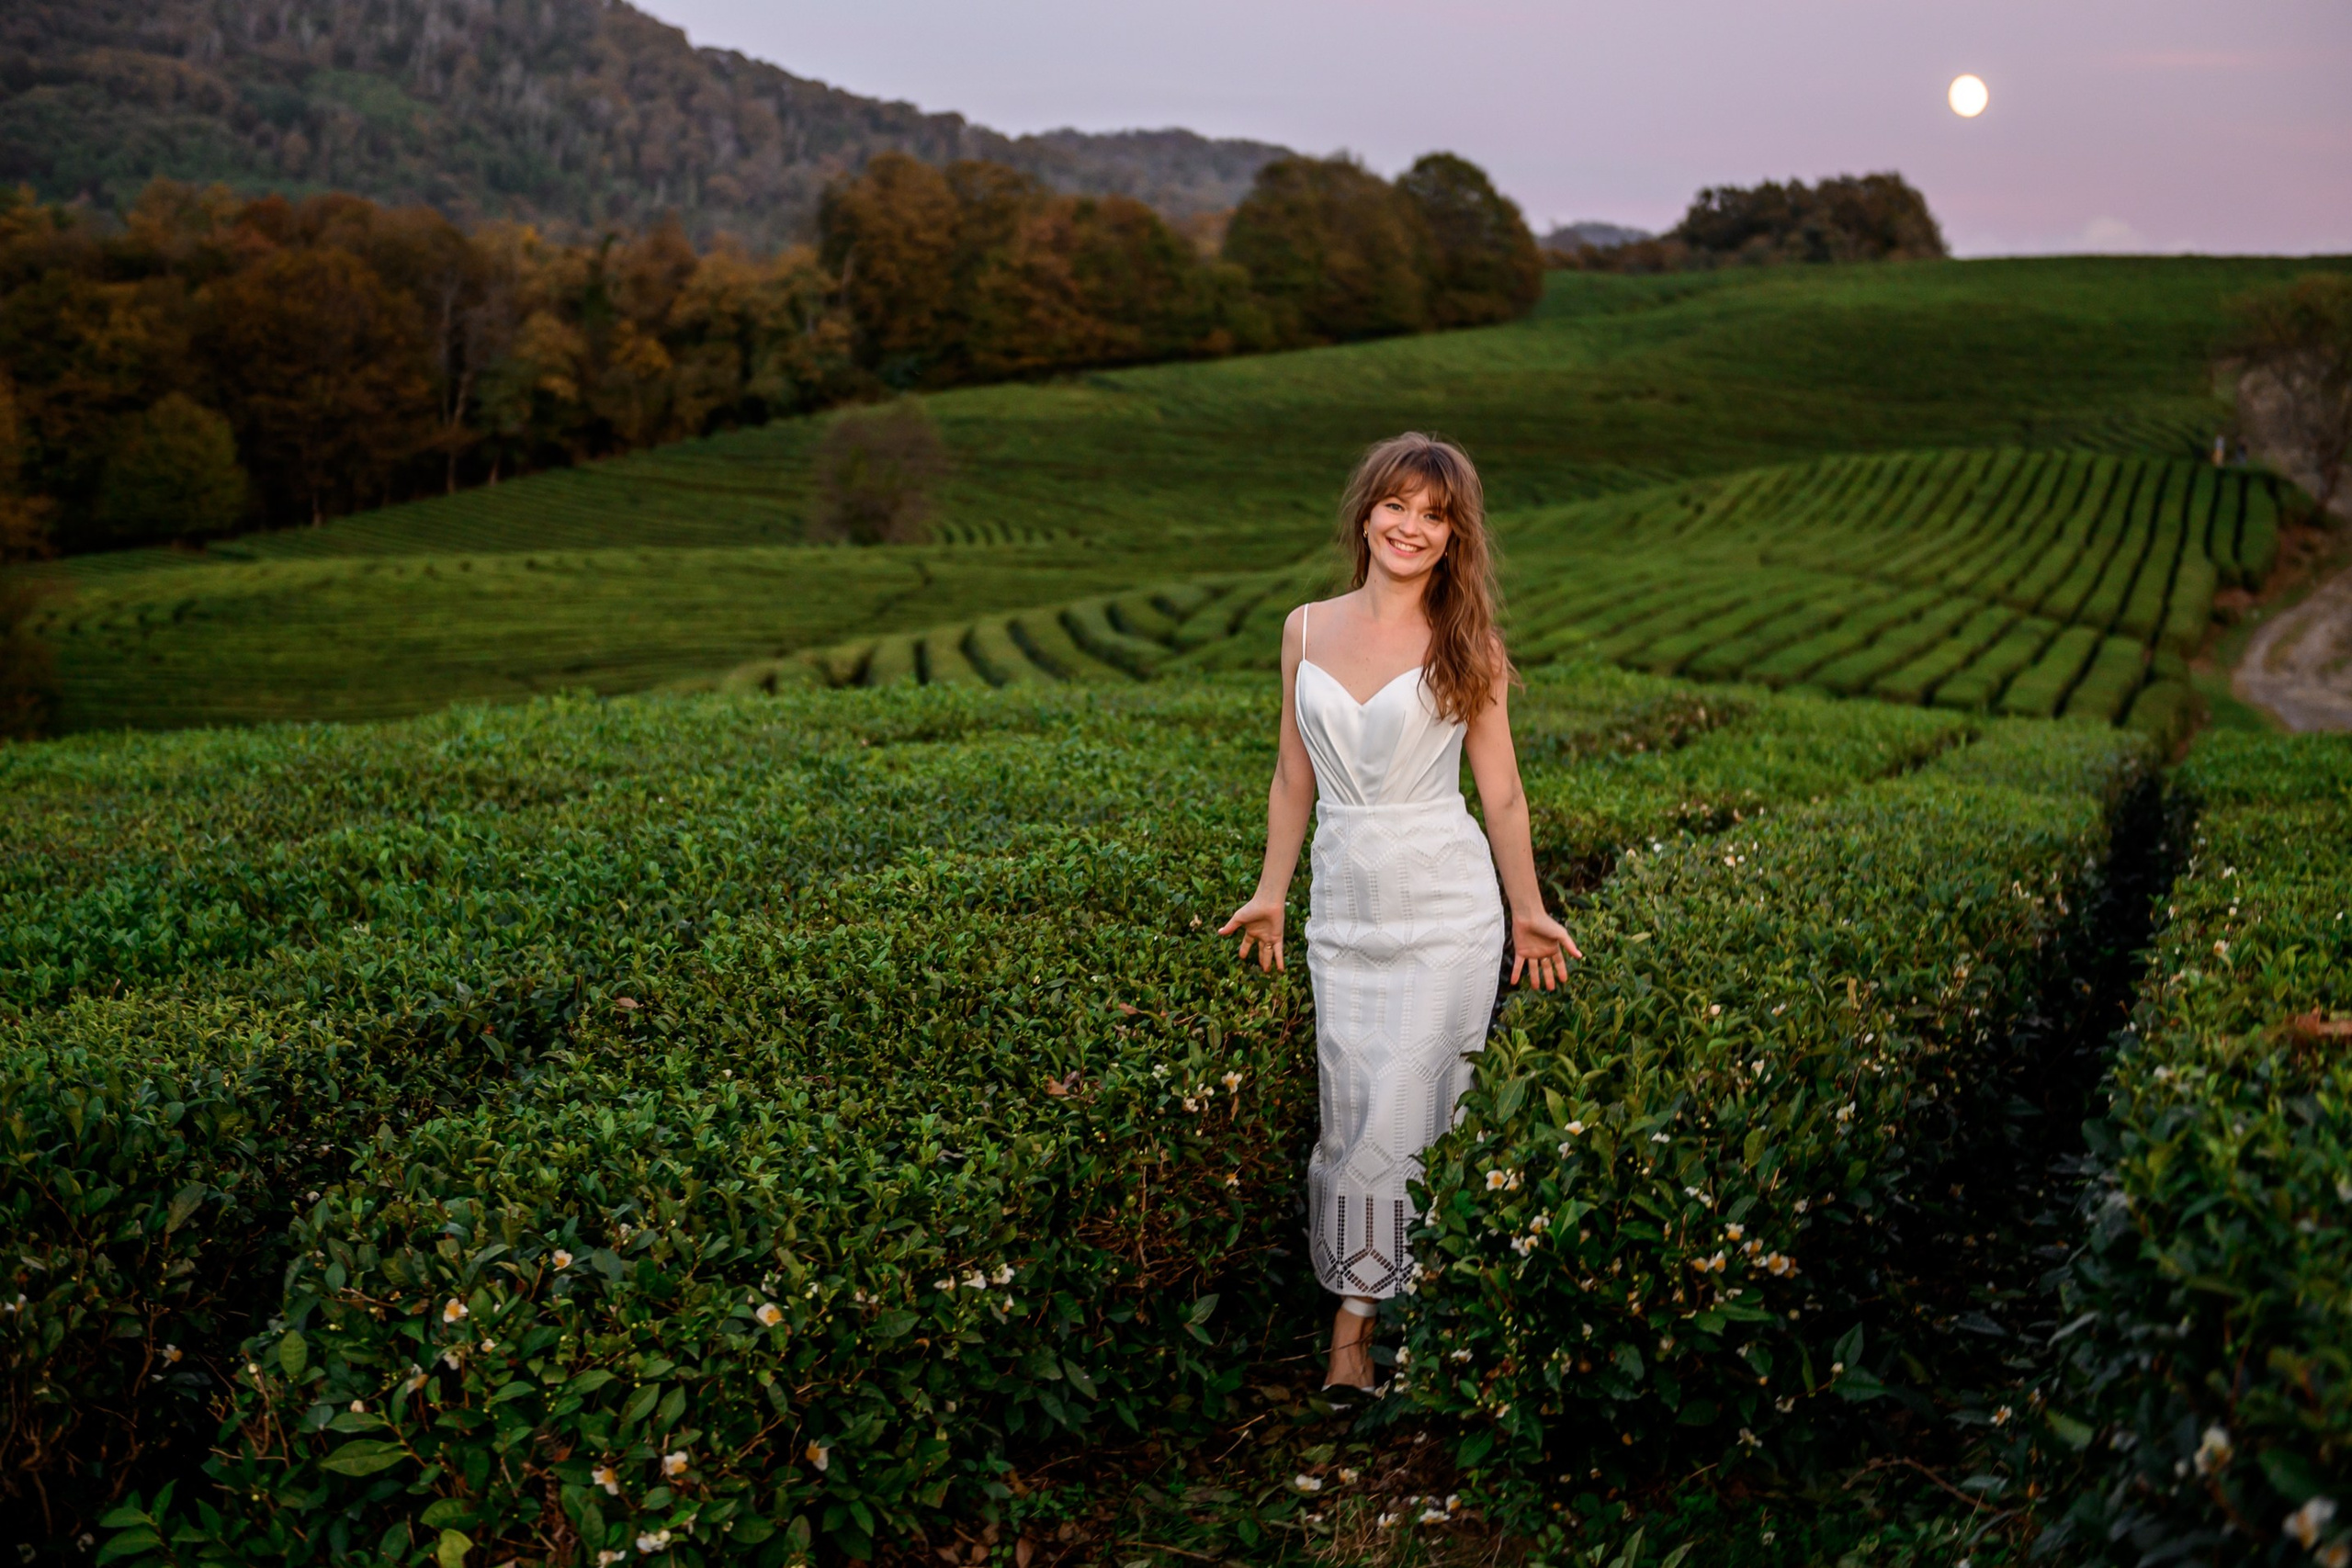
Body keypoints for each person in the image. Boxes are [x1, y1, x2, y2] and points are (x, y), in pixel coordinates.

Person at [1218, 432, 1582, 1393]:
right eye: (1397, 506)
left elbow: (1500, 795)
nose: (1410, 528)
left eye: (1434, 516)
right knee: (1349, 1110)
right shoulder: (1303, 626)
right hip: (1344, 908)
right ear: (1366, 512)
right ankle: (1401, 1304)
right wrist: (1268, 892)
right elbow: (1292, 776)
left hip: (1443, 909)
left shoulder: (1469, 644)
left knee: (1408, 1106)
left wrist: (1529, 910)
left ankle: (1356, 1337)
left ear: (1455, 537)